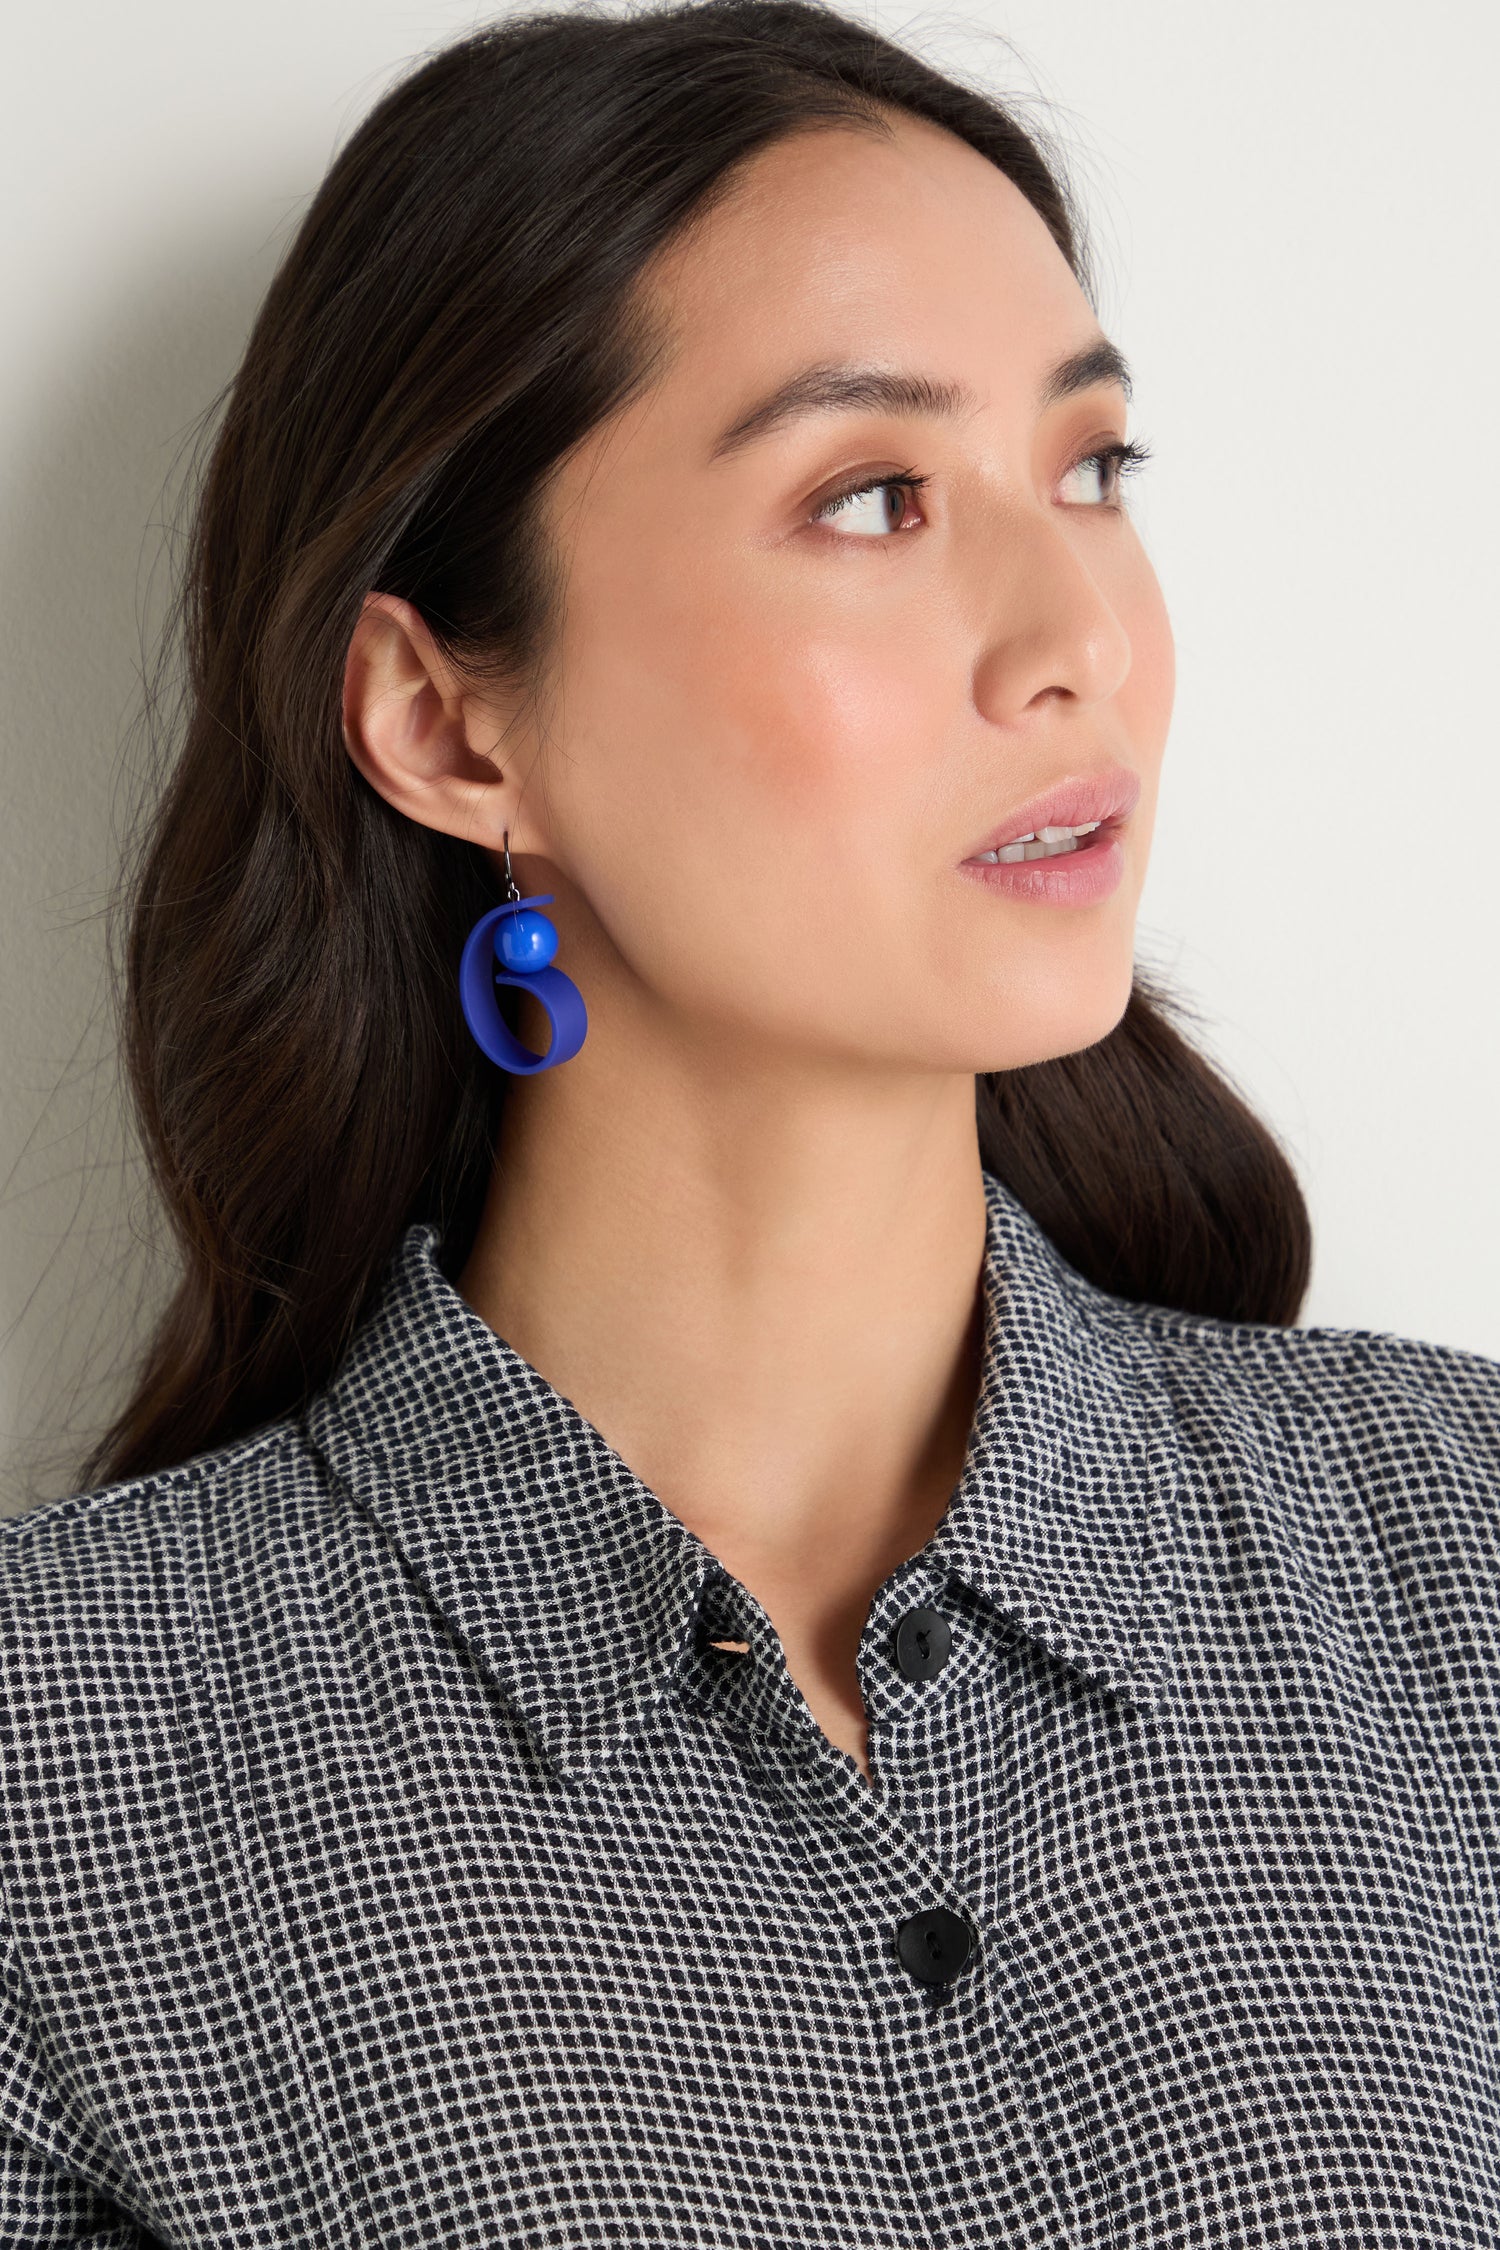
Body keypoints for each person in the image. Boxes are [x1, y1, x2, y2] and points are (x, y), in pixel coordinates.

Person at [3, 1, 1498, 2241]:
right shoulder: (70, 1779)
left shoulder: (1455, 1564)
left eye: (1092, 470)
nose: (1071, 632)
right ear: (444, 723)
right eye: (874, 497)